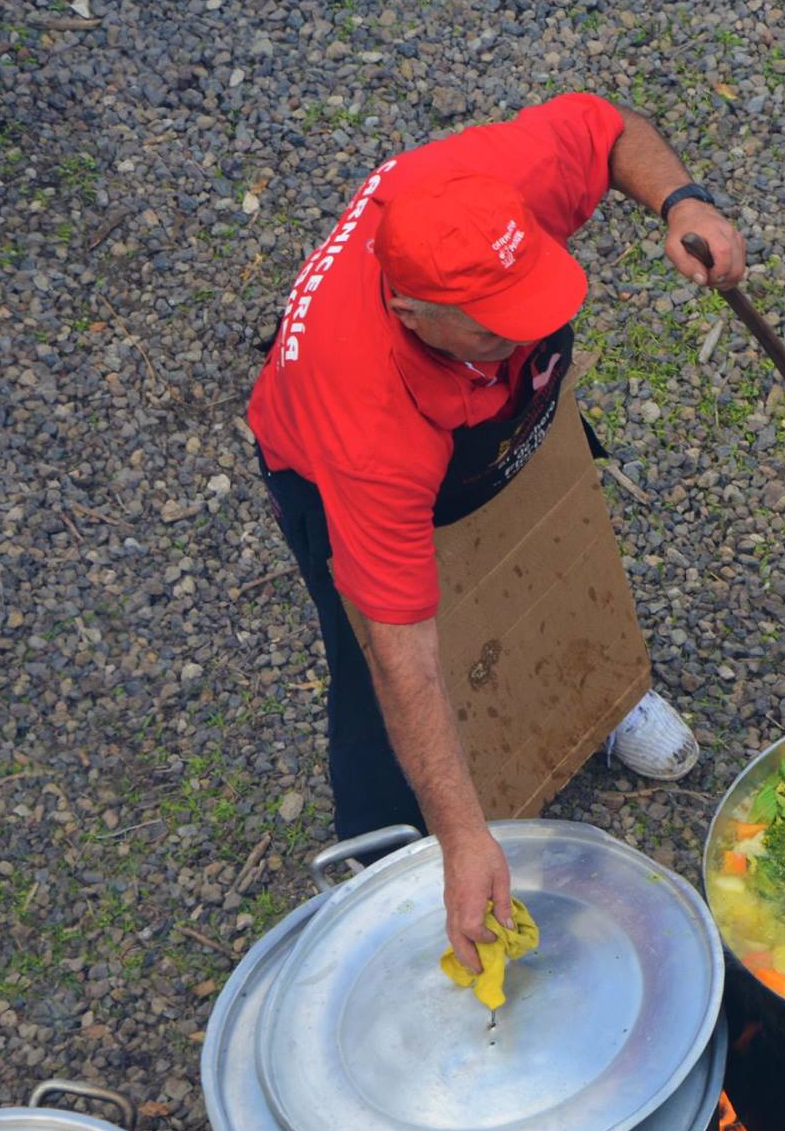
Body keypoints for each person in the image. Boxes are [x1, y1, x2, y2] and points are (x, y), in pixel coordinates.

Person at [246, 93, 747, 971]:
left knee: (556, 550)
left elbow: (609, 127)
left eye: (533, 298)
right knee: (373, 672)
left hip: (506, 424)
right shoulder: (366, 425)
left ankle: (600, 696)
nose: (526, 328)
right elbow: (406, 653)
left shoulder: (489, 195)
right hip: (352, 467)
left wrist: (684, 201)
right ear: (411, 310)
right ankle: (392, 859)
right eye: (492, 322)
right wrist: (466, 831)